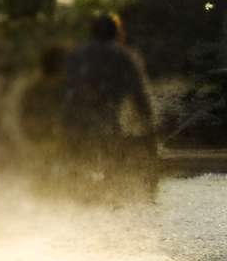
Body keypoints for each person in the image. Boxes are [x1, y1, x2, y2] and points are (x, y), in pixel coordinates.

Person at [54, 13, 158, 188]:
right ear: (117, 32)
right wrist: (149, 129)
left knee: (75, 172)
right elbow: (140, 97)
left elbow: (62, 90)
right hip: (106, 123)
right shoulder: (124, 57)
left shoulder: (76, 55)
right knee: (112, 170)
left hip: (72, 122)